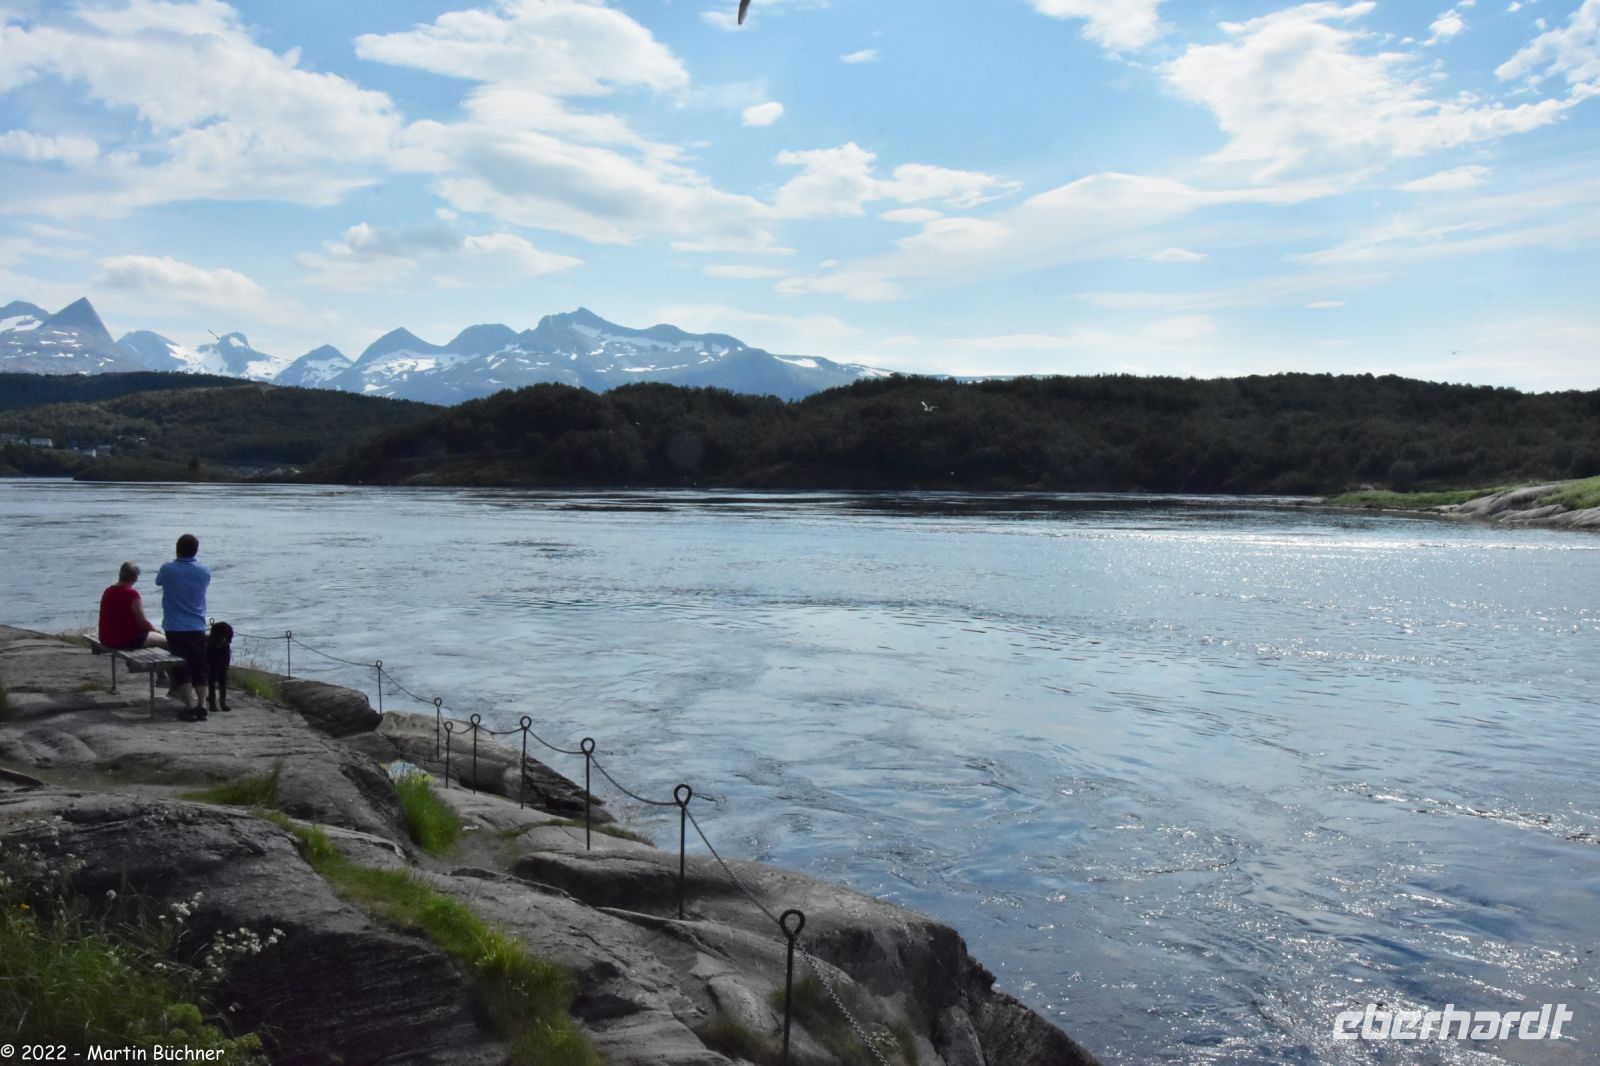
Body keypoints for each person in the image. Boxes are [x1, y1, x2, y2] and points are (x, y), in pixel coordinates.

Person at [156, 533, 212, 722]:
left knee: (181, 668)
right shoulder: (204, 570)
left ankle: (189, 707)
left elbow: (158, 582)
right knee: (199, 666)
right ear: (196, 550)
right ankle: (202, 705)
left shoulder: (167, 569)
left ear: (177, 549)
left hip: (175, 626)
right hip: (197, 624)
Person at [97, 562, 167, 650]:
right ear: (135, 578)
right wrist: (156, 631)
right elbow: (142, 622)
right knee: (167, 641)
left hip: (106, 638)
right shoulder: (132, 594)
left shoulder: (108, 591)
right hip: (126, 640)